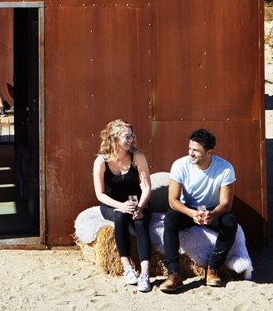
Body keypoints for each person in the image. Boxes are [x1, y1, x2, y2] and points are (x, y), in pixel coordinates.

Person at [160, 128, 238, 293]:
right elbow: (173, 200)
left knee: (230, 221)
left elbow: (226, 204)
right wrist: (192, 213)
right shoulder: (180, 165)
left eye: (196, 150)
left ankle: (213, 268)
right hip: (188, 209)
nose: (191, 153)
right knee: (170, 218)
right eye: (190, 149)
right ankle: (174, 273)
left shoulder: (225, 168)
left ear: (209, 152)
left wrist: (213, 214)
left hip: (213, 210)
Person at [93, 119, 153, 293]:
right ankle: (127, 267)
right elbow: (100, 194)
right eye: (126, 136)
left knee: (140, 222)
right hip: (112, 203)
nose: (131, 140)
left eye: (132, 136)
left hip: (137, 201)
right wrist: (121, 206)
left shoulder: (137, 155)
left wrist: (140, 207)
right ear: (114, 138)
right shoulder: (101, 161)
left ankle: (145, 273)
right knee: (120, 216)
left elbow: (147, 186)